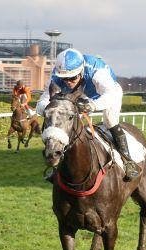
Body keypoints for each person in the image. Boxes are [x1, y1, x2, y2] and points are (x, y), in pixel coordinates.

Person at [36, 48, 139, 181]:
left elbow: (111, 94)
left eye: (72, 78)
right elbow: (43, 101)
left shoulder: (97, 72)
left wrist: (93, 105)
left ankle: (127, 161)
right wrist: (49, 108)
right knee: (67, 127)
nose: (68, 82)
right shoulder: (56, 75)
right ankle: (58, 166)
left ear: (81, 71)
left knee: (110, 121)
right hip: (80, 95)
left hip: (107, 93)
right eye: (65, 78)